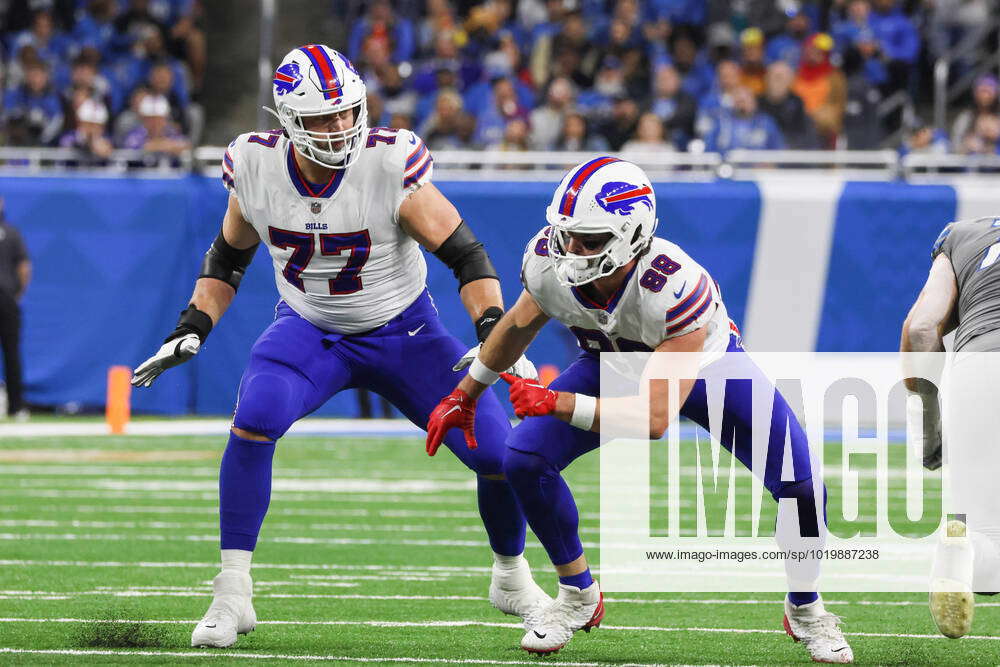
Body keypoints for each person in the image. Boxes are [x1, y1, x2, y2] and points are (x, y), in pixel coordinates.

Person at [131, 44, 547, 649]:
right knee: (253, 419)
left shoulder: (389, 161)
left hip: (405, 332)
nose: (340, 126)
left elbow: (466, 255)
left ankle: (510, 574)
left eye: (347, 112)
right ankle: (232, 591)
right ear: (289, 122)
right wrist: (192, 324)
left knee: (497, 452)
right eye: (323, 118)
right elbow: (227, 259)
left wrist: (489, 328)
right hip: (309, 328)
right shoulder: (253, 165)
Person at [425, 158, 853, 662]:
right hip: (611, 362)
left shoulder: (672, 286)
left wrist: (556, 401)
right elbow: (518, 323)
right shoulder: (548, 262)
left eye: (588, 239)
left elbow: (653, 419)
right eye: (566, 235)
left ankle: (806, 608)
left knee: (801, 484)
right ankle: (578, 595)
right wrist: (467, 393)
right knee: (523, 456)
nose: (570, 251)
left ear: (631, 234)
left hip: (707, 372)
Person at [902, 216, 1000, 639]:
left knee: (984, 539)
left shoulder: (964, 233)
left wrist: (930, 421)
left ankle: (960, 556)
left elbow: (921, 328)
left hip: (979, 368)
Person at [0, 198, 31, 421]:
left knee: (12, 353)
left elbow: (24, 267)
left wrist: (17, 294)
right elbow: (24, 267)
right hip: (8, 298)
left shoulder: (11, 233)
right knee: (12, 353)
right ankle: (16, 407)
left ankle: (16, 405)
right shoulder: (11, 233)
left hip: (7, 299)